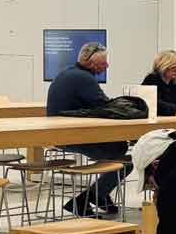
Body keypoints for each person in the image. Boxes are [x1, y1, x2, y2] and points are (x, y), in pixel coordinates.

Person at [45, 41, 125, 215]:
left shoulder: (69, 74)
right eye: (103, 63)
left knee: (119, 148)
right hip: (71, 137)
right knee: (126, 160)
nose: (107, 65)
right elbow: (104, 105)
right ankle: (87, 199)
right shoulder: (83, 78)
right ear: (91, 62)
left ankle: (100, 195)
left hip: (62, 135)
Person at [141, 50, 176, 117]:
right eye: (174, 68)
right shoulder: (151, 79)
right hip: (157, 118)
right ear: (164, 66)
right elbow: (156, 104)